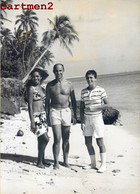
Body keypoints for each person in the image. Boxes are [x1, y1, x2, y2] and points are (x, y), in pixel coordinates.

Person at [45, 63, 77, 169]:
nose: (58, 73)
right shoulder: (50, 85)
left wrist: (74, 114)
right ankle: (56, 162)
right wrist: (47, 116)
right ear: (53, 72)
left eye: (60, 70)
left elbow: (73, 100)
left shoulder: (69, 84)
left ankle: (66, 161)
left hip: (66, 111)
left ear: (63, 71)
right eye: (56, 71)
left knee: (66, 138)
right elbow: (47, 102)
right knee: (57, 138)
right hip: (54, 111)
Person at [80, 70, 109, 173]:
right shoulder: (83, 91)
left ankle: (103, 164)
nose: (89, 80)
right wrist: (82, 121)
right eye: (88, 78)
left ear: (95, 78)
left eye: (91, 77)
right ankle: (93, 163)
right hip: (87, 119)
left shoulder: (101, 90)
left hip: (97, 119)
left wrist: (94, 107)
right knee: (87, 142)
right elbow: (81, 107)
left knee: (99, 142)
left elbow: (107, 105)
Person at [27, 67, 49, 168]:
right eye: (34, 76)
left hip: (43, 115)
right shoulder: (31, 88)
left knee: (41, 140)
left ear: (40, 77)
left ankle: (42, 160)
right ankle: (39, 161)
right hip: (36, 116)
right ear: (31, 78)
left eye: (37, 76)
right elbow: (30, 106)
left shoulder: (42, 88)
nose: (35, 78)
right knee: (45, 139)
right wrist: (32, 121)